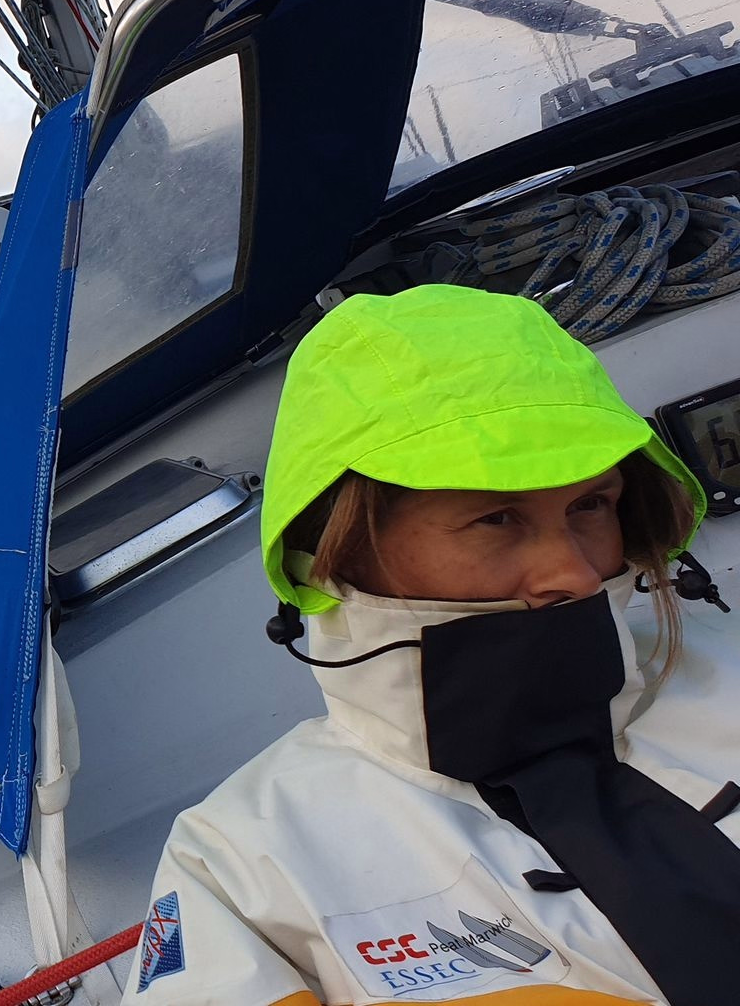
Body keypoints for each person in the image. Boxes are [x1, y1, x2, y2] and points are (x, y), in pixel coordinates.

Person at [123, 285, 738, 1005]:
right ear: (335, 550)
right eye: (498, 518)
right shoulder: (240, 867)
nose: (574, 573)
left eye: (591, 505)